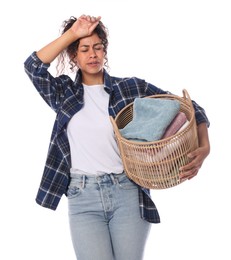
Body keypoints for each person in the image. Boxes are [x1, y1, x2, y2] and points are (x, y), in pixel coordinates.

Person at [24, 15, 210, 260]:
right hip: (83, 197)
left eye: (98, 48)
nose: (92, 54)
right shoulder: (64, 93)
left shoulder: (130, 88)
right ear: (74, 56)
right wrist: (73, 33)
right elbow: (33, 66)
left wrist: (205, 147)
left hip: (127, 193)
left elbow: (189, 107)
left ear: (105, 52)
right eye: (84, 49)